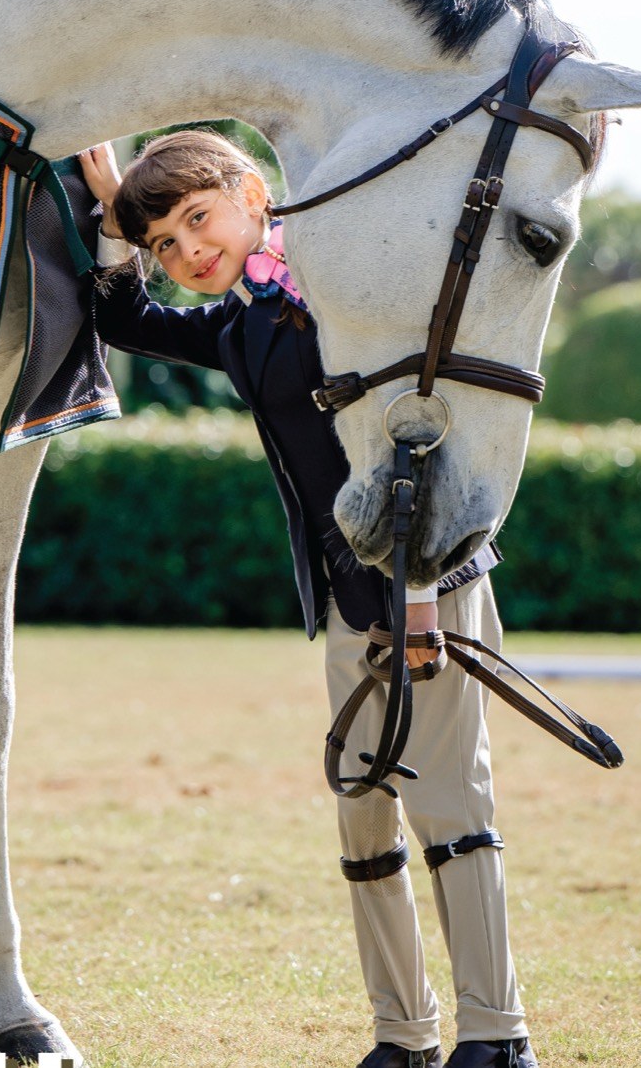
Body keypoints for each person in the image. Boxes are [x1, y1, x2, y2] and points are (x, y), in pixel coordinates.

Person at [79, 130, 538, 1068]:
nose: (188, 250)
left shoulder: (342, 291)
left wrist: (415, 601)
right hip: (342, 593)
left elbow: (416, 437)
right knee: (364, 809)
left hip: (424, 583)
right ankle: (403, 1038)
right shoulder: (243, 320)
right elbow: (125, 322)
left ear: (253, 193)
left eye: (196, 219)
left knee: (449, 802)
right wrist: (113, 214)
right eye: (167, 242)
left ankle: (497, 1036)